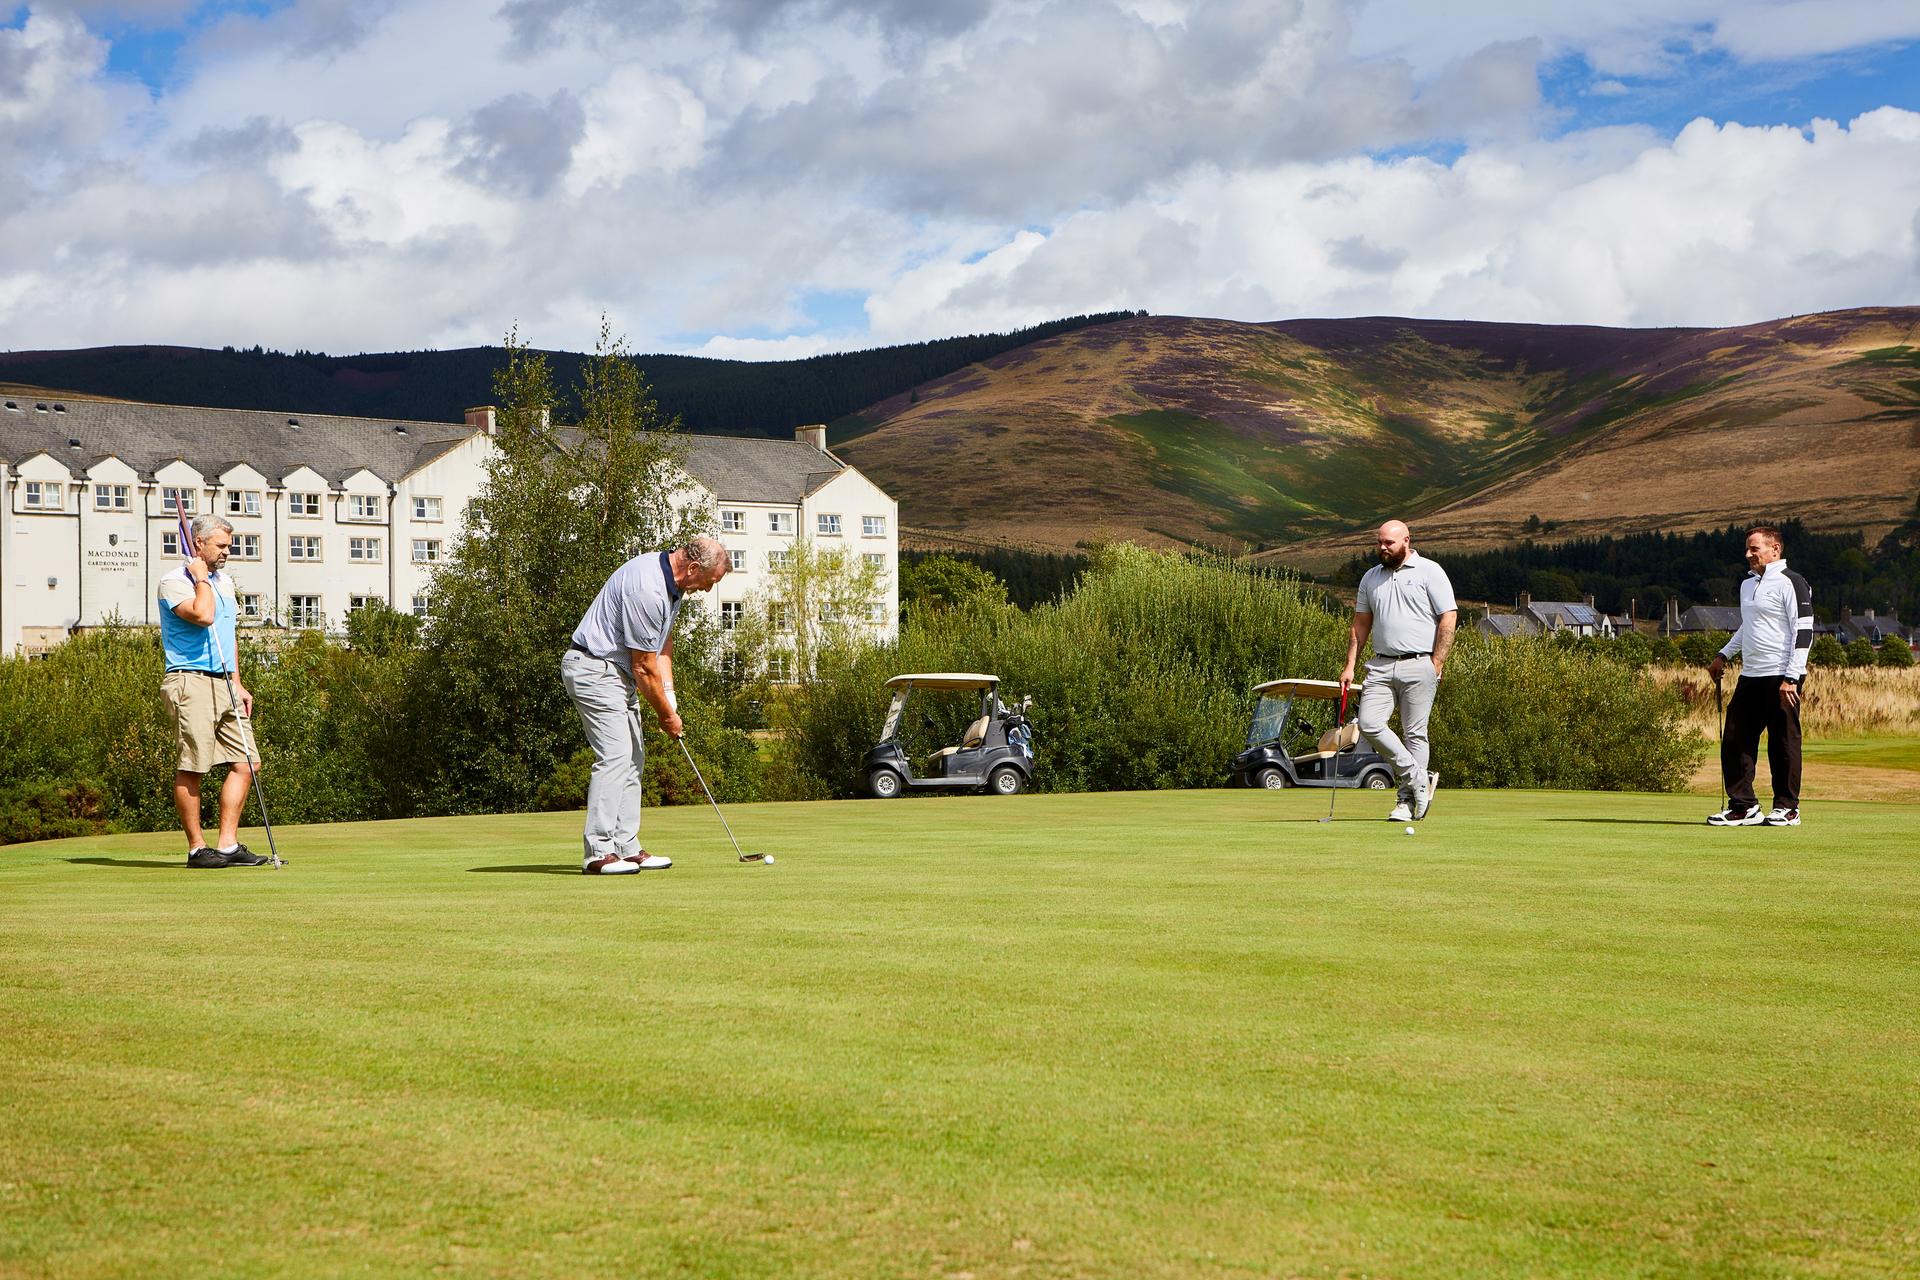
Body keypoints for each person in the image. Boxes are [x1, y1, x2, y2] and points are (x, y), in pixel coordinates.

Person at [563, 536, 731, 875]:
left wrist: (670, 697)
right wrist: (666, 715)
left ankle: (626, 847)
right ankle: (597, 852)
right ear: (694, 568)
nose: (708, 591)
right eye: (710, 582)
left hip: (617, 674)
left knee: (633, 756)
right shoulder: (648, 590)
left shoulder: (673, 587)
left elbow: (661, 646)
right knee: (615, 755)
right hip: (594, 668)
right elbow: (643, 665)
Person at [158, 514, 269, 868]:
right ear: (198, 544)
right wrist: (200, 579)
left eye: (229, 545)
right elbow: (203, 615)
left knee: (248, 763)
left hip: (224, 682)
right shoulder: (174, 581)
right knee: (194, 765)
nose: (227, 551)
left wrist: (237, 681)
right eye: (221, 545)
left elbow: (226, 631)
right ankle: (196, 849)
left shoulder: (223, 582)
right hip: (189, 680)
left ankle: (227, 845)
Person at [1339, 520, 1457, 822]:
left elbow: (1448, 619)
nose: (1382, 548)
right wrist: (1350, 665)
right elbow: (1361, 624)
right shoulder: (1370, 577)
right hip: (1380, 664)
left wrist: (1437, 663)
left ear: (1407, 540)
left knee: (1415, 734)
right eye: (1379, 542)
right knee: (1368, 723)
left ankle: (1405, 802)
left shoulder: (1431, 571)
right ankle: (1418, 777)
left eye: (1389, 543)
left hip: (1420, 663)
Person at [1706, 526, 1811, 827]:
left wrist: (1792, 676)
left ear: (1775, 549)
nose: (1748, 554)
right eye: (1748, 549)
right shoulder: (1747, 585)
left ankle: (1788, 807)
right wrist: (1723, 654)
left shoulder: (1792, 582)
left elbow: (1803, 630)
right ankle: (1744, 806)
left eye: (1754, 549)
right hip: (1750, 674)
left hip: (1782, 674)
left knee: (1783, 742)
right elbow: (1747, 627)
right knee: (1736, 739)